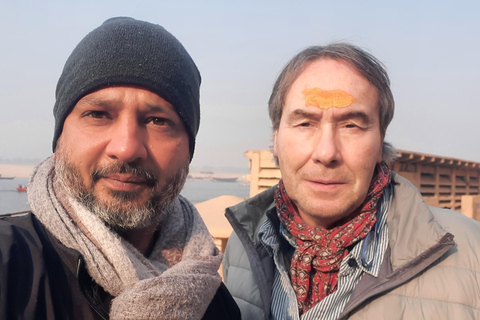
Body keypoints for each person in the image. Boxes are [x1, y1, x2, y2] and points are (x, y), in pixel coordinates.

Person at [0, 17, 240, 320]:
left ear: (188, 150)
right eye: (98, 114)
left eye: (158, 120)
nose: (126, 148)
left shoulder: (213, 302)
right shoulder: (10, 266)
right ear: (60, 137)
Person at [223, 43, 480, 319]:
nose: (326, 153)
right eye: (305, 124)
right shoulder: (245, 246)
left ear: (381, 142)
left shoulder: (469, 252)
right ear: (276, 139)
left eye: (351, 126)